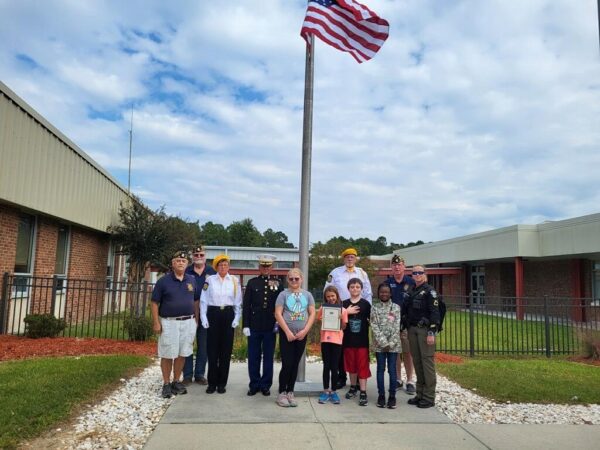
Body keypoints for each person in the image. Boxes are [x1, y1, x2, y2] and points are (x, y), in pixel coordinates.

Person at [151, 250, 200, 398]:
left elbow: (196, 301)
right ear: (173, 264)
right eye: (178, 260)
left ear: (187, 264)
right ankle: (166, 383)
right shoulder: (163, 281)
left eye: (183, 261)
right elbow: (154, 303)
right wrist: (156, 322)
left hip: (188, 322)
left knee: (182, 353)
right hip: (169, 323)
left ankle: (176, 381)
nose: (180, 263)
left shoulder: (192, 280)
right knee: (167, 354)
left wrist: (196, 320)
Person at [324, 247, 372, 389]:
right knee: (341, 346)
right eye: (347, 257)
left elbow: (368, 293)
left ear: (355, 258)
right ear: (343, 258)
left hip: (359, 312)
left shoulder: (362, 273)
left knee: (358, 346)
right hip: (341, 311)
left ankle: (357, 380)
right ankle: (342, 376)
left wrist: (365, 310)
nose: (350, 259)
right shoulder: (335, 273)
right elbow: (327, 291)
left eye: (352, 257)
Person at [274, 268, 316, 407]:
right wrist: (287, 332)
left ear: (301, 280)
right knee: (287, 364)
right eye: (291, 278)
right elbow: (278, 314)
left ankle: (290, 391)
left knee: (295, 364)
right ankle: (282, 392)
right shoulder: (283, 295)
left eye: (296, 278)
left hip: (301, 335)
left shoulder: (308, 295)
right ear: (287, 280)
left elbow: (312, 314)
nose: (294, 281)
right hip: (288, 334)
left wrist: (305, 331)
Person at [200, 254, 242, 394]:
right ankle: (212, 383)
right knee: (212, 350)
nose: (223, 267)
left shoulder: (235, 281)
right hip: (213, 314)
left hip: (228, 314)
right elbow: (203, 300)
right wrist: (203, 317)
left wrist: (236, 318)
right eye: (220, 265)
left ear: (229, 266)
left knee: (225, 351)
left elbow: (238, 302)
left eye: (226, 265)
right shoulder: (209, 280)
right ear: (216, 267)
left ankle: (222, 383)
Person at [242, 254, 283, 397]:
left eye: (268, 266)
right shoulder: (252, 283)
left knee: (268, 357)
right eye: (263, 266)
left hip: (270, 326)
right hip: (254, 325)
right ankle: (254, 384)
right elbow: (246, 305)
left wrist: (279, 323)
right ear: (259, 267)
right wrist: (245, 324)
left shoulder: (278, 283)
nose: (265, 268)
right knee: (253, 356)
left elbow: (281, 305)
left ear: (272, 267)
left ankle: (265, 385)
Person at [404, 264, 441, 409]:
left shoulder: (430, 291)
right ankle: (419, 394)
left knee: (427, 363)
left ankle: (429, 397)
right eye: (414, 273)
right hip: (412, 329)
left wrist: (432, 332)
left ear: (425, 274)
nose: (417, 275)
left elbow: (435, 313)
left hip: (425, 331)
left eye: (420, 272)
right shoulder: (412, 290)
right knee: (418, 362)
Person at [182, 245, 216, 385]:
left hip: (206, 315)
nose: (199, 257)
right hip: (188, 312)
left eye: (201, 255)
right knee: (187, 344)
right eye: (196, 255)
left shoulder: (212, 272)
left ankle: (200, 374)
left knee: (204, 345)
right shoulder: (186, 271)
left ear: (205, 256)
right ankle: (187, 375)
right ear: (192, 257)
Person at [384, 254, 416, 395]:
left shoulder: (411, 282)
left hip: (407, 323)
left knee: (407, 352)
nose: (397, 267)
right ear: (391, 267)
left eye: (399, 264)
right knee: (395, 352)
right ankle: (397, 379)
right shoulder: (387, 283)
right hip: (392, 323)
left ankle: (410, 380)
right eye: (394, 265)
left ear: (404, 266)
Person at [371, 283, 402, 409]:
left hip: (393, 345)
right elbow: (374, 326)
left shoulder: (395, 307)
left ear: (390, 293)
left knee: (392, 370)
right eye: (382, 292)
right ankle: (381, 395)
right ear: (378, 293)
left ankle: (392, 396)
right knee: (380, 370)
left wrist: (390, 344)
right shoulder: (375, 308)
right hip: (379, 345)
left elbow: (396, 326)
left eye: (386, 292)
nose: (384, 294)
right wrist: (383, 343)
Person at [342, 278, 371, 406]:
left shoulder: (365, 304)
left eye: (357, 287)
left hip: (362, 341)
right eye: (352, 287)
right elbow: (340, 323)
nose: (355, 289)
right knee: (351, 366)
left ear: (361, 289)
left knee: (362, 366)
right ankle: (353, 386)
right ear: (348, 289)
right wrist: (346, 313)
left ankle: (363, 391)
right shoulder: (344, 304)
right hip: (348, 340)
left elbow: (372, 321)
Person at [317, 285, 348, 405]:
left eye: (333, 296)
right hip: (325, 340)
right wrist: (324, 317)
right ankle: (326, 391)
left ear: (337, 296)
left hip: (337, 341)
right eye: (328, 296)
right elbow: (318, 318)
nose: (331, 298)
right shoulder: (322, 308)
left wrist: (340, 319)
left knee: (334, 367)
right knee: (326, 366)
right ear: (325, 297)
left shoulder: (343, 310)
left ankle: (334, 391)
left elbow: (344, 327)